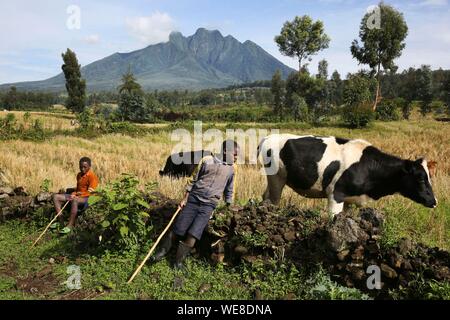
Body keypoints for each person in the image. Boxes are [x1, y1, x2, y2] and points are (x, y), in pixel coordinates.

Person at [152, 140, 239, 270]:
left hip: (209, 205)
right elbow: (193, 180)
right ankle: (161, 252)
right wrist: (184, 199)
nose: (237, 157)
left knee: (194, 233)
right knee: (178, 228)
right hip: (193, 200)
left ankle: (178, 262)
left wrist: (228, 205)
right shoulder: (206, 160)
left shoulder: (232, 169)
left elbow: (229, 188)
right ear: (226, 151)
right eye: (235, 154)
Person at [52, 157, 99, 234]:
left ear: (89, 167)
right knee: (55, 197)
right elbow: (78, 189)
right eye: (81, 167)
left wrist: (77, 195)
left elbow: (91, 192)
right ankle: (61, 221)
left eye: (85, 167)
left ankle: (70, 225)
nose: (82, 169)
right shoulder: (79, 175)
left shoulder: (92, 176)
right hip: (78, 196)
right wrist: (74, 193)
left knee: (75, 200)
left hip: (87, 198)